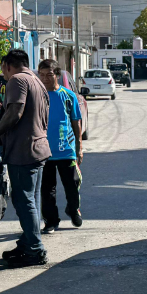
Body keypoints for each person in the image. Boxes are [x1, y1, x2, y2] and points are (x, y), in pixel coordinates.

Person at [0, 49, 50, 266]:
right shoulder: (37, 82)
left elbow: (14, 112)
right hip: (38, 149)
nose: (4, 74)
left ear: (8, 65)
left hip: (24, 151)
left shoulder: (17, 80)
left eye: (3, 69)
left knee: (23, 200)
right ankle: (29, 241)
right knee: (32, 201)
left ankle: (35, 249)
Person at [37, 59, 84, 233]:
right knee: (47, 190)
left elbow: (75, 122)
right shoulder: (37, 96)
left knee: (72, 183)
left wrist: (79, 147)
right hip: (44, 151)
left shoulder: (68, 96)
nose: (44, 79)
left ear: (57, 75)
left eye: (48, 75)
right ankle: (51, 221)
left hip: (66, 150)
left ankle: (73, 210)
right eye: (41, 75)